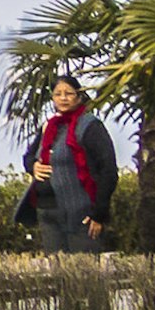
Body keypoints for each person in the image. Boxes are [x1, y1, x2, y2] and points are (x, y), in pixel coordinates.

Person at [22, 77, 117, 253]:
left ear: (79, 97)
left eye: (69, 93)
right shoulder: (49, 126)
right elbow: (28, 157)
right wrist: (33, 166)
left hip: (81, 214)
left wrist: (99, 213)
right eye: (58, 94)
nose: (63, 98)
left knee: (82, 273)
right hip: (48, 212)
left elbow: (108, 170)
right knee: (59, 273)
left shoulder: (89, 126)